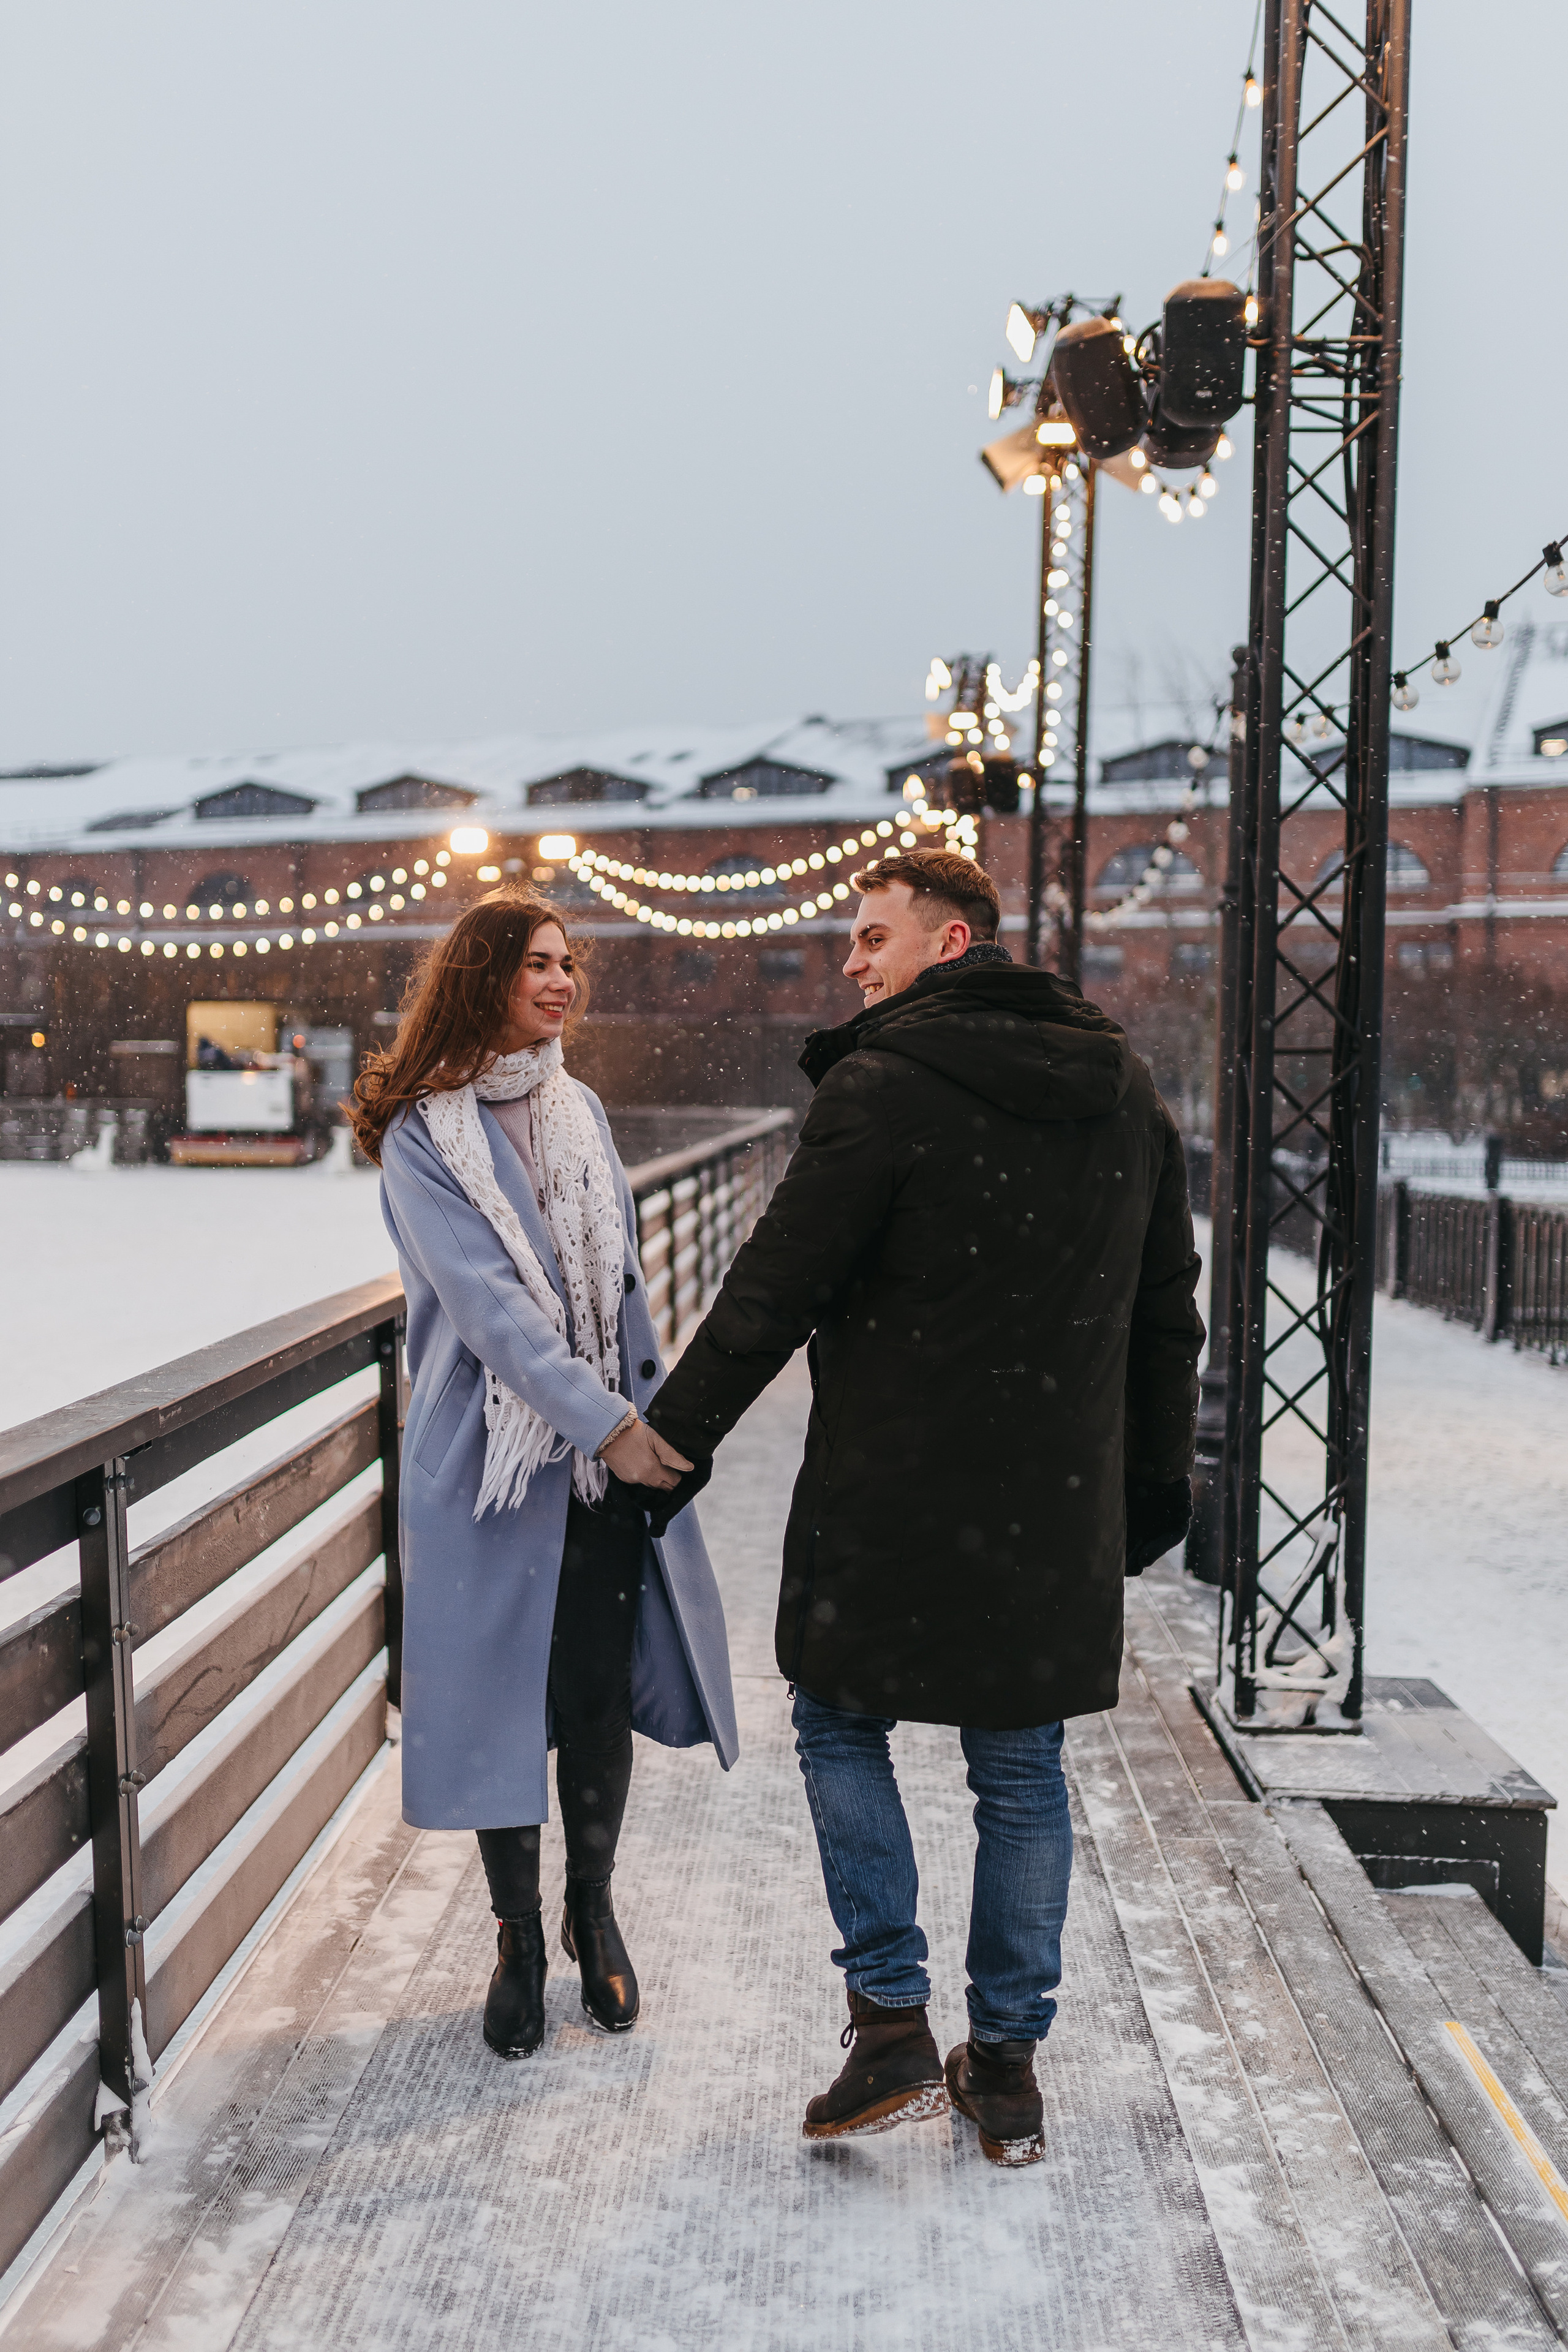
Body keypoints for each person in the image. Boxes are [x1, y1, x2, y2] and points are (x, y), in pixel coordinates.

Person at [646, 845, 1202, 2166]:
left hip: (889, 1494)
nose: (849, 959)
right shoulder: (1121, 1088)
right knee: (1018, 1768)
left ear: (948, 947)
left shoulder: (882, 1088)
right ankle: (1003, 2071)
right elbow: (1164, 1313)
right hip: (1050, 1500)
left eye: (871, 936)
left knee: (840, 1723)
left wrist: (668, 1443)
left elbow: (773, 1290)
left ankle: (889, 2021)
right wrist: (1147, 1490)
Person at [349, 889, 736, 2062]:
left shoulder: (581, 1112)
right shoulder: (425, 1138)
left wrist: (646, 1426)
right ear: (482, 982)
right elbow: (491, 1312)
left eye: (569, 964)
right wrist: (605, 1423)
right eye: (536, 967)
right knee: (501, 1708)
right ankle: (520, 1935)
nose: (561, 984)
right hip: (493, 1472)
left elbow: (616, 1294)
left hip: (602, 1466)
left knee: (594, 1689)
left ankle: (594, 1904)